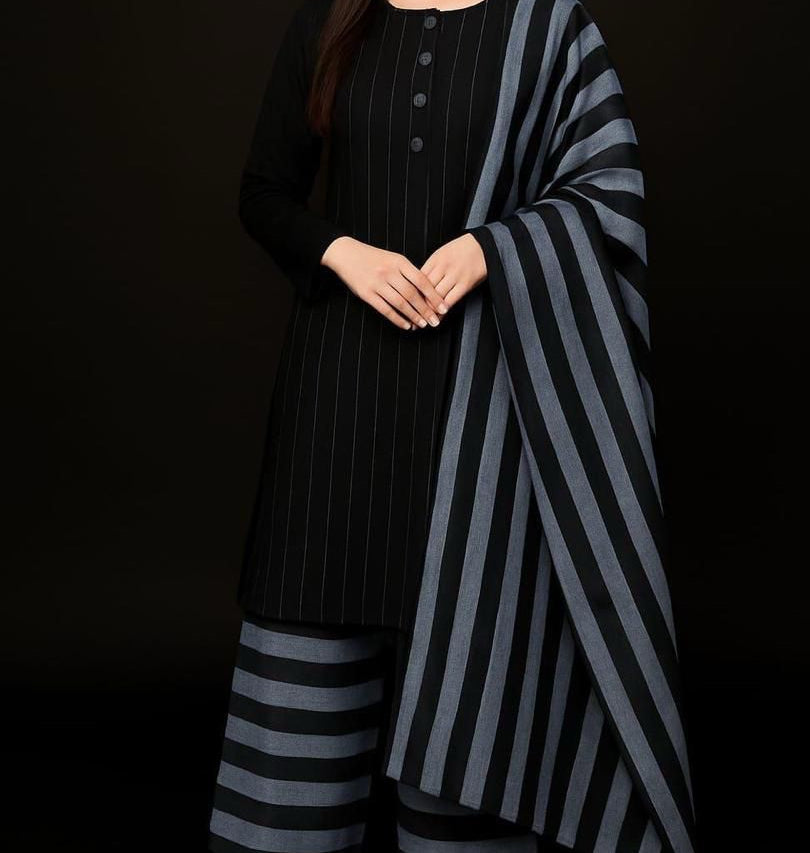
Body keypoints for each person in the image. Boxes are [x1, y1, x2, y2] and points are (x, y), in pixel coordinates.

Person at [208, 1, 697, 851]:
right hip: (335, 411)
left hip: (482, 430)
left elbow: (608, 194)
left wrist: (493, 248)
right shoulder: (331, 18)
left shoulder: (547, 27)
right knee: (297, 713)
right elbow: (263, 192)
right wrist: (342, 253)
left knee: (470, 706)